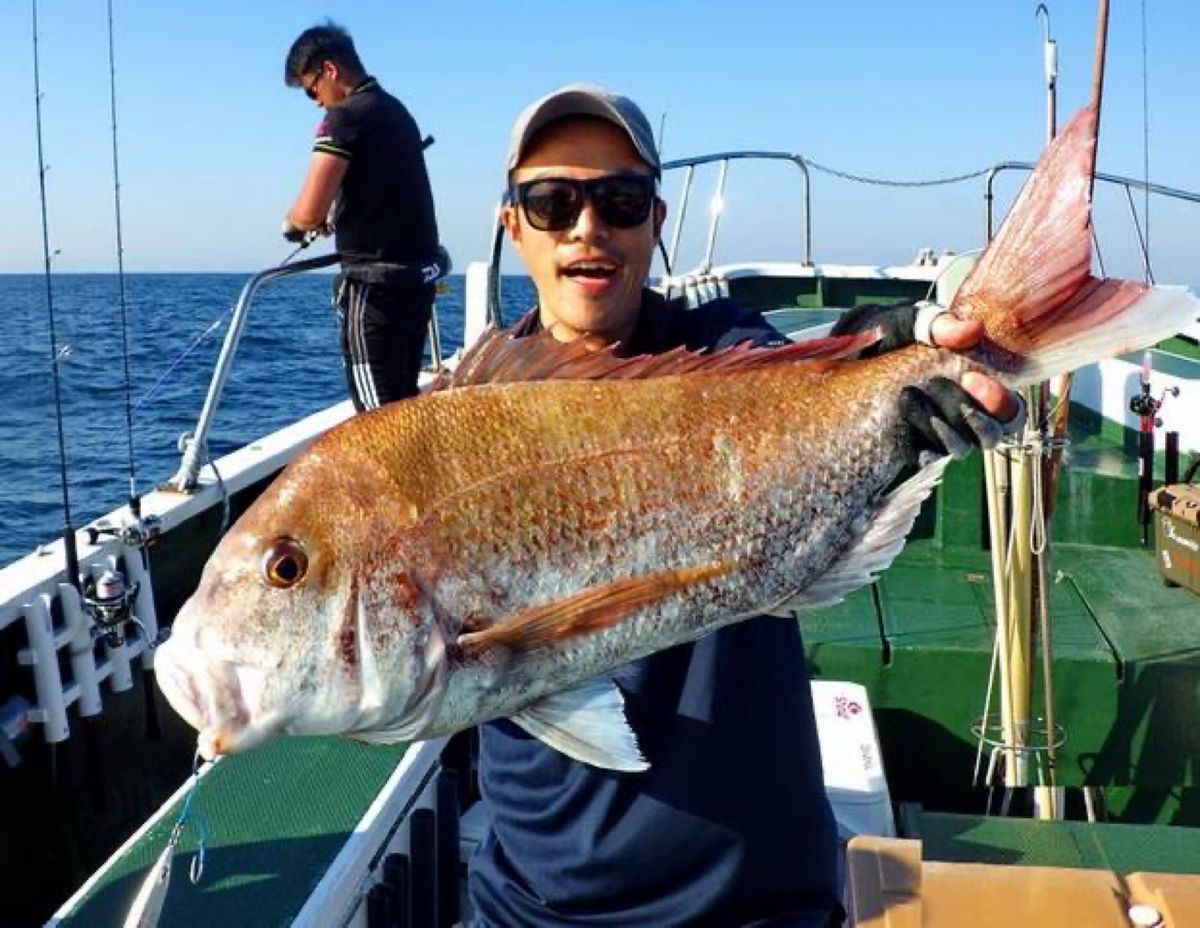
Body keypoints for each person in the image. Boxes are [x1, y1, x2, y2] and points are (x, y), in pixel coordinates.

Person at [466, 84, 1021, 928]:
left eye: (618, 202)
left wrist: (887, 352)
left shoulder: (722, 349)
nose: (588, 227)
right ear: (514, 225)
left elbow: (796, 381)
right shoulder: (462, 418)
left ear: (656, 222)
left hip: (752, 897)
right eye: (553, 201)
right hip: (532, 901)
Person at [282, 22, 448, 410]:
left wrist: (294, 223)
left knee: (378, 425)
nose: (316, 102)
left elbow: (307, 213)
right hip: (415, 285)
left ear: (330, 71)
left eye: (311, 90)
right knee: (402, 404)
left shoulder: (344, 118)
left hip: (376, 292)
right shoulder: (396, 111)